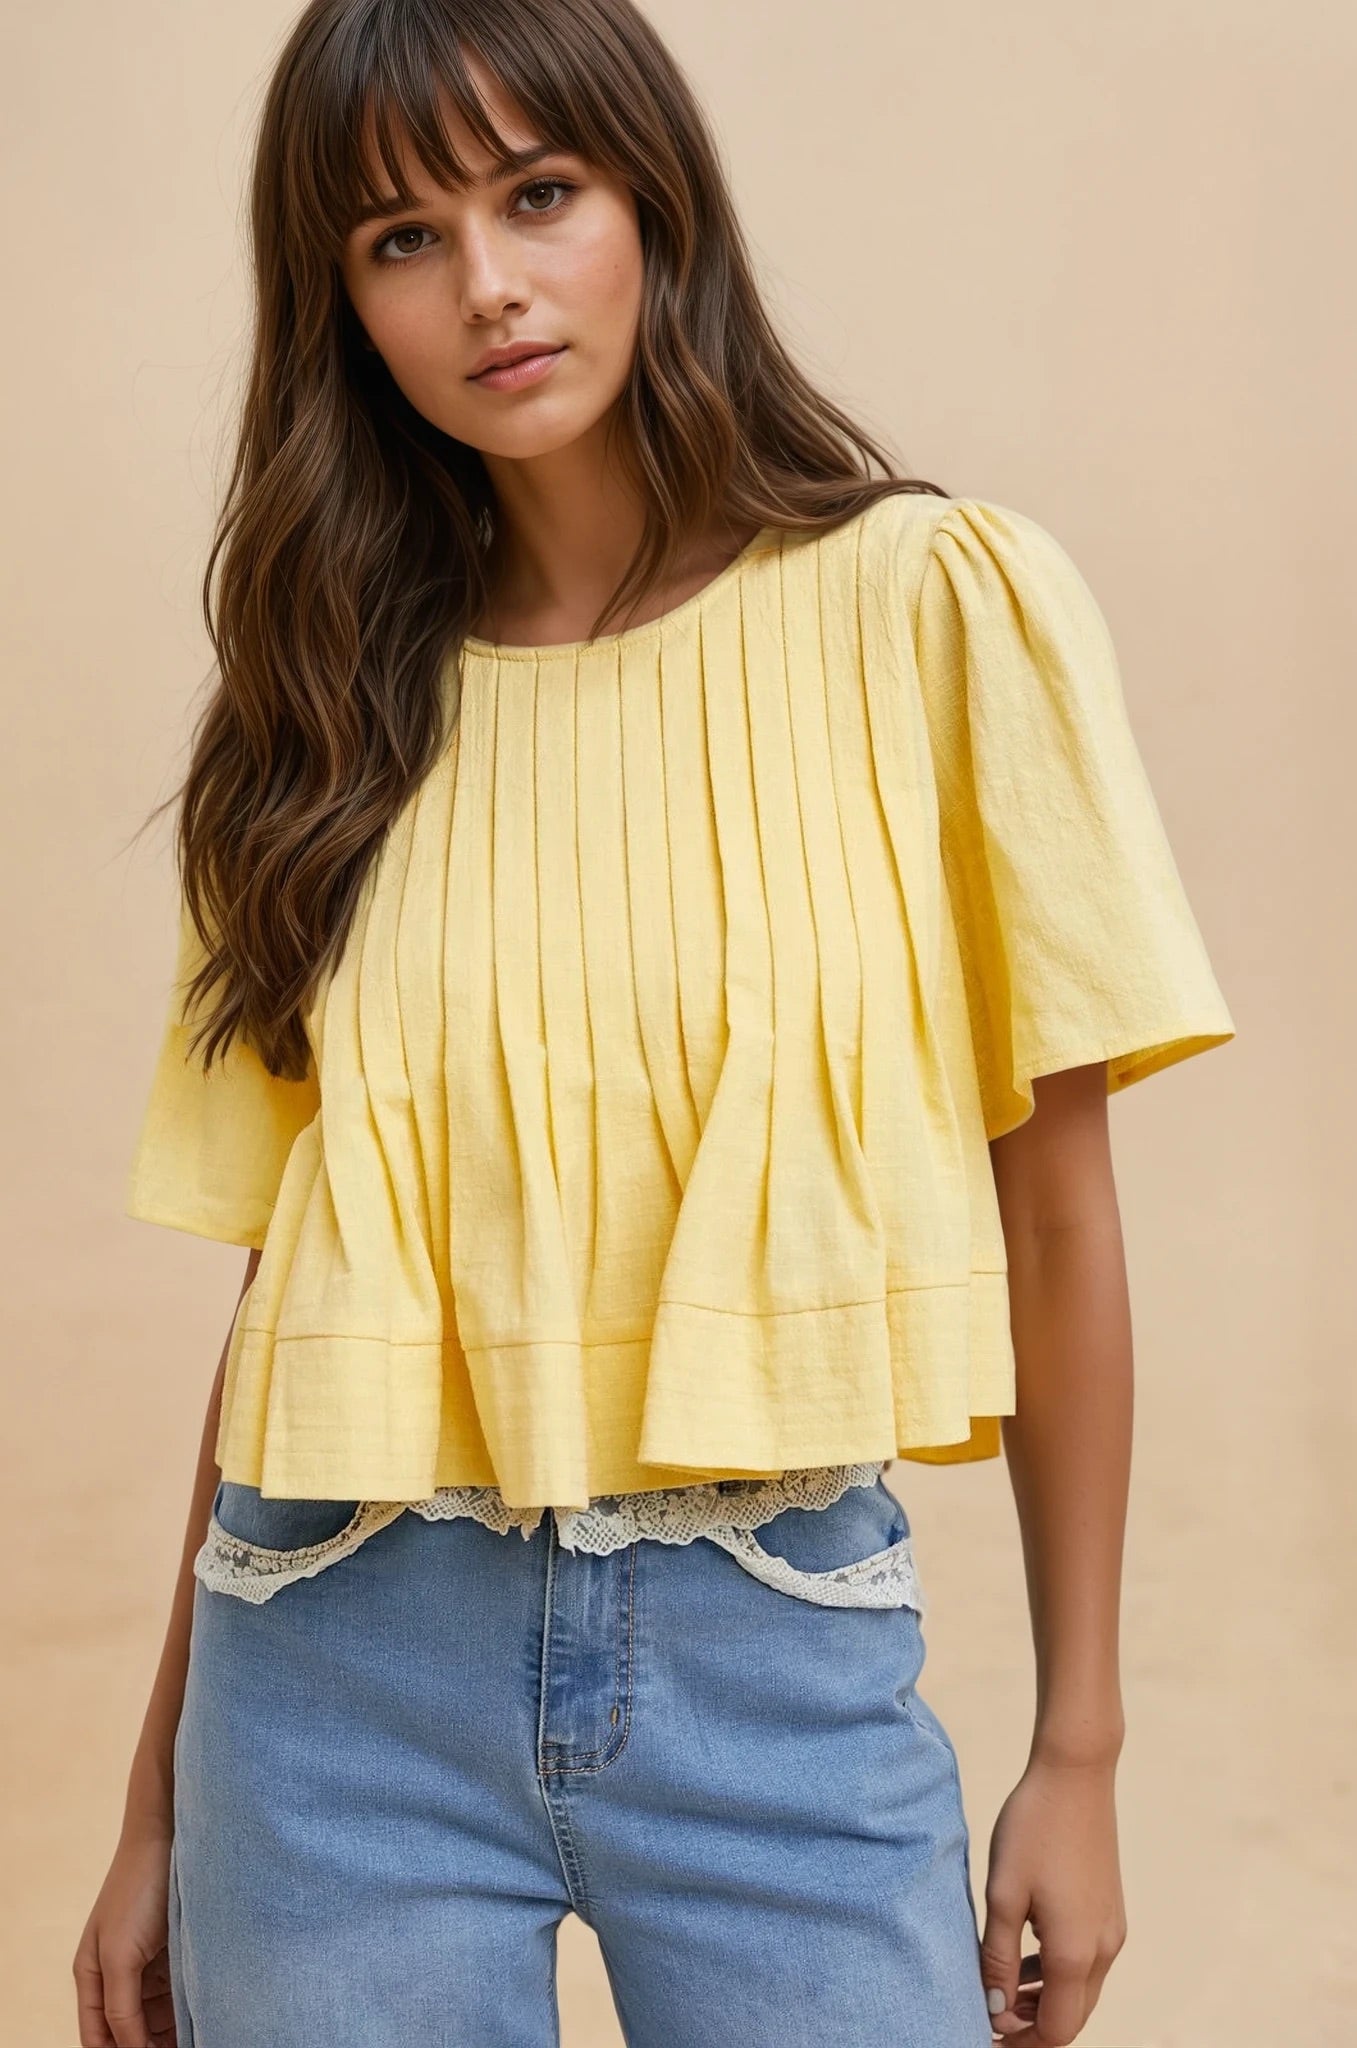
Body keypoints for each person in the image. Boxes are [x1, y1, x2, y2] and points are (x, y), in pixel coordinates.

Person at [73, 2, 1237, 2044]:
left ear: (651, 198)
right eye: (398, 238)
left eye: (537, 193)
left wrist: (1082, 1746)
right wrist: (156, 1792)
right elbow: (300, 1292)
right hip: (326, 1673)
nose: (489, 286)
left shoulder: (931, 605)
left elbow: (1056, 1214)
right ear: (336, 302)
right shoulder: (321, 718)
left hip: (771, 1659)